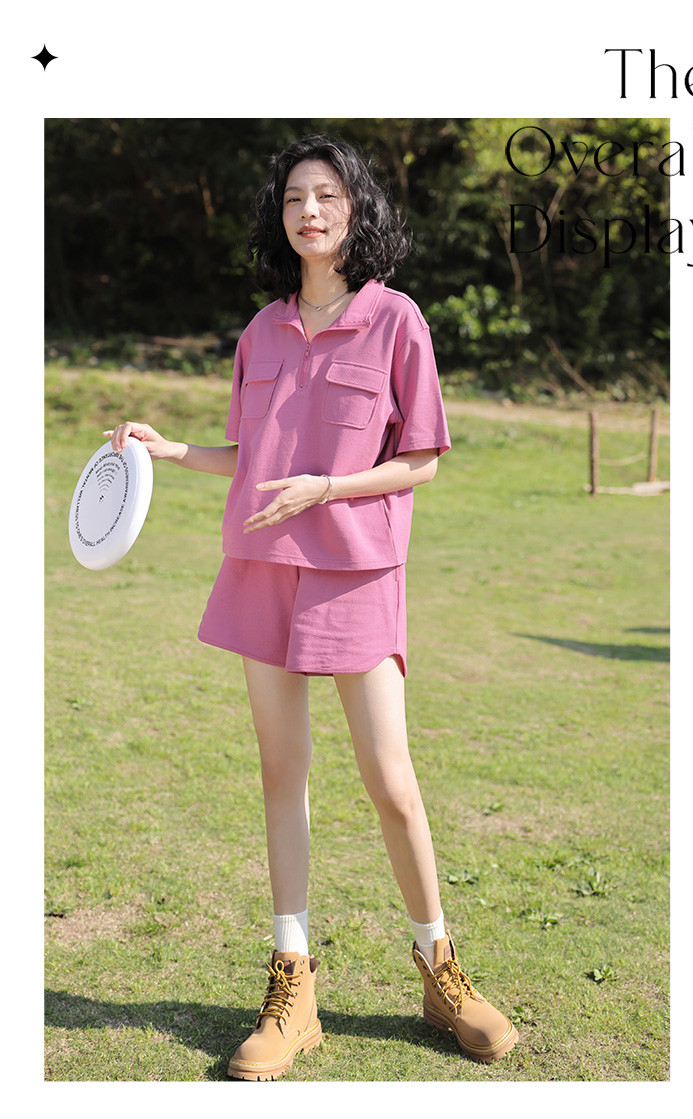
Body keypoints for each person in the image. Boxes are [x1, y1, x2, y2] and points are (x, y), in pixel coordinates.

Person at [106, 134, 518, 1081]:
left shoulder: (396, 319)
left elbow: (421, 458)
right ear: (279, 215)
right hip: (260, 566)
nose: (310, 212)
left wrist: (327, 487)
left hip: (356, 571)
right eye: (295, 198)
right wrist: (169, 450)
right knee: (280, 772)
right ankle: (293, 981)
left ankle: (440, 968)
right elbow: (248, 456)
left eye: (327, 195)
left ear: (354, 208)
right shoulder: (260, 331)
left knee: (390, 779)